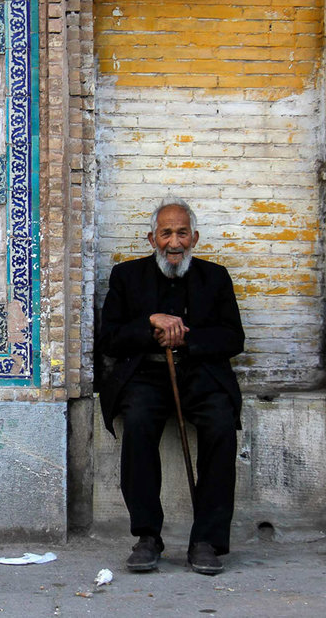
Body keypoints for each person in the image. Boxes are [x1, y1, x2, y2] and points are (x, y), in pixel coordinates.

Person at [99, 196, 244, 575]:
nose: (174, 242)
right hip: (146, 376)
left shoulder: (216, 277)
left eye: (182, 233)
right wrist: (150, 324)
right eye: (166, 233)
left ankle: (206, 541)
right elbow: (110, 339)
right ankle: (148, 537)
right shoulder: (126, 277)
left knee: (220, 424)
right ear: (152, 239)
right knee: (139, 421)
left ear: (194, 237)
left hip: (201, 375)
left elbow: (233, 338)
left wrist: (186, 339)